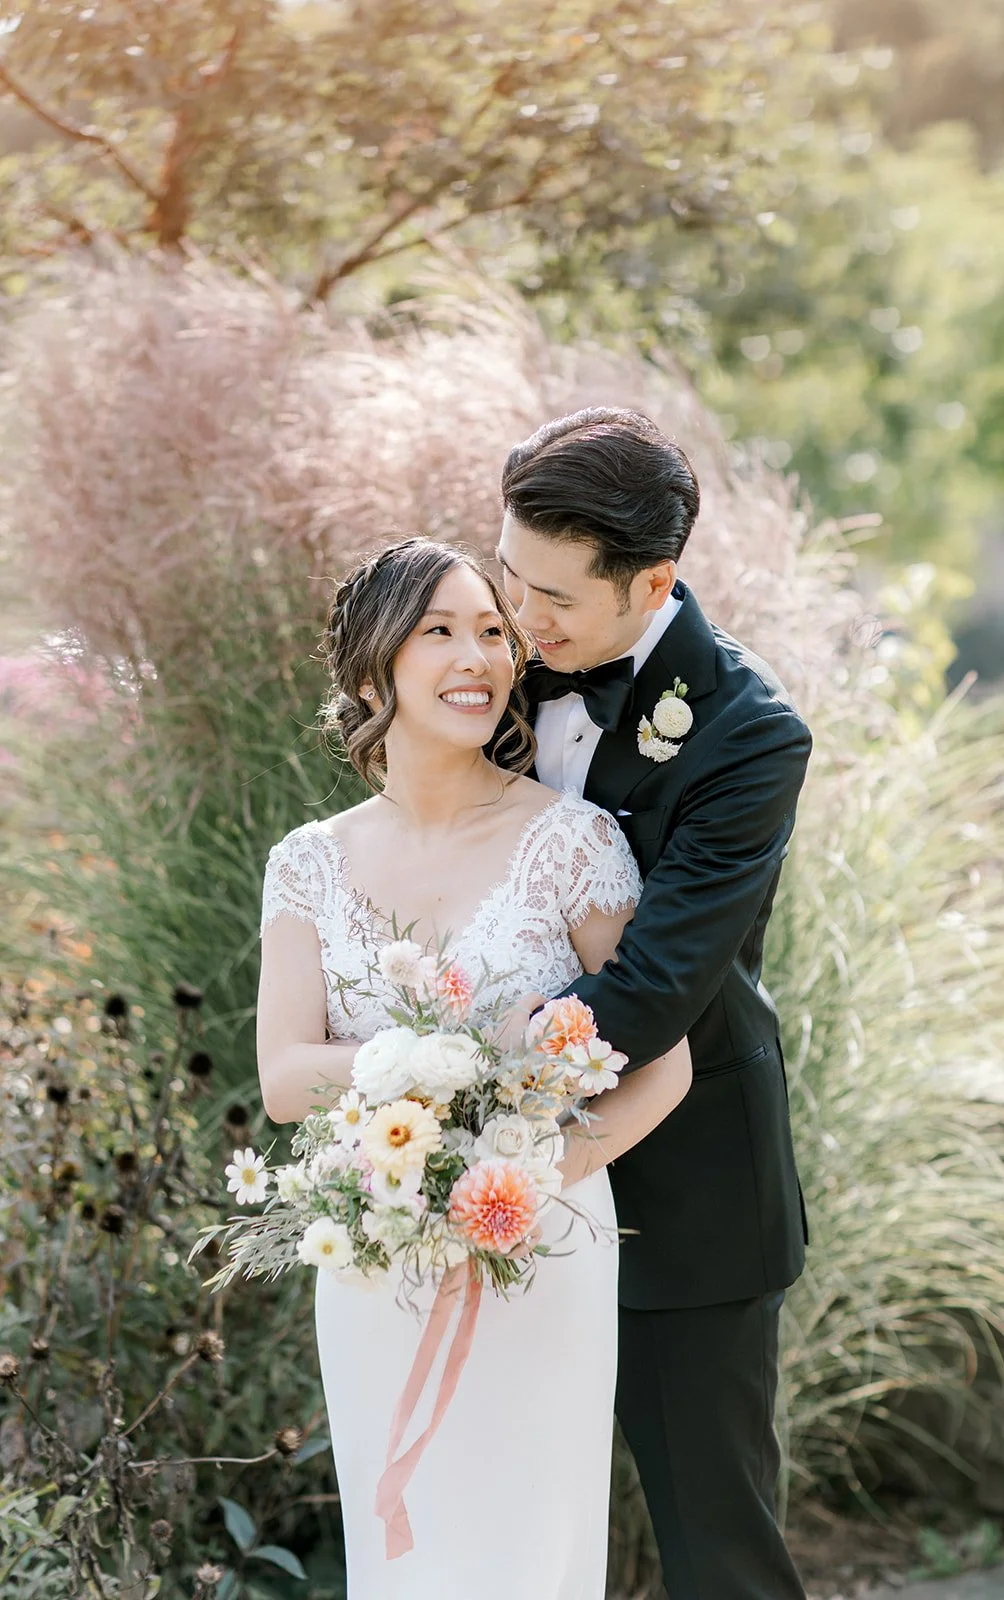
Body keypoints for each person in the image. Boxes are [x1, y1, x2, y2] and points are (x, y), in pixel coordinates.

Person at [255, 536, 692, 1600]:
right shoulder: (307, 862)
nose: (477, 654)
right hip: (377, 1249)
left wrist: (529, 1175)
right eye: (439, 629)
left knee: (525, 1548)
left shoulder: (574, 842)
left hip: (540, 1241)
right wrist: (442, 1067)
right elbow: (282, 1073)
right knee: (404, 1555)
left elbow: (660, 1064)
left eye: (493, 631)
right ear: (370, 668)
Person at [498, 407, 812, 1600]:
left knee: (714, 1549)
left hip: (690, 1192)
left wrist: (463, 1076)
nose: (521, 623)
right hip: (489, 1192)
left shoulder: (747, 734)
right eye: (510, 582)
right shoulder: (498, 665)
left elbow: (654, 987)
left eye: (553, 601)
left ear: (653, 583)